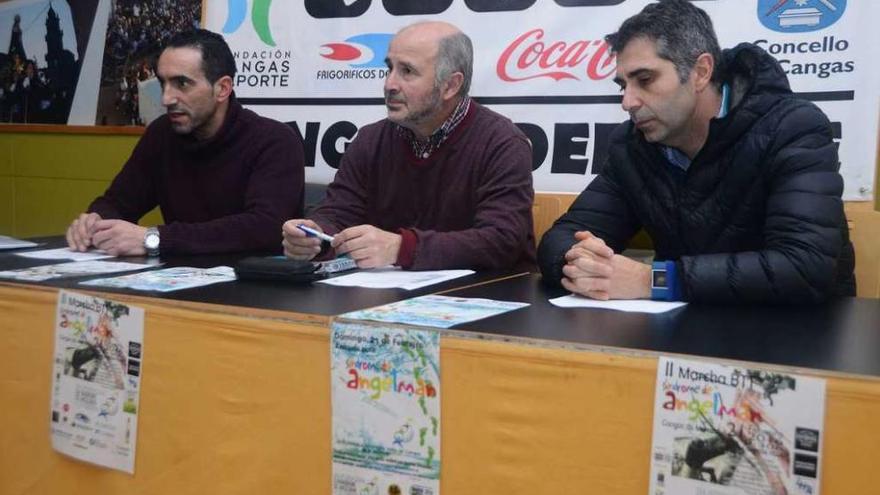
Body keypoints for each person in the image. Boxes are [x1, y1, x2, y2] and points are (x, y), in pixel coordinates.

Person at [537, 0, 855, 304]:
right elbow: (562, 237)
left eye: (645, 80)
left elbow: (804, 267)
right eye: (623, 85)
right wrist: (580, 262)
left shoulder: (792, 127)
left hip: (798, 338)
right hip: (681, 333)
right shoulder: (632, 147)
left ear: (701, 72)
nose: (628, 102)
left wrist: (656, 280)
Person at [281, 21, 535, 270]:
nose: (389, 84)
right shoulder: (371, 140)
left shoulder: (502, 143)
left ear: (450, 85)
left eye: (407, 72)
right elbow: (338, 213)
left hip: (490, 295)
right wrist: (315, 235)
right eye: (389, 68)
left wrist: (403, 248)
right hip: (386, 297)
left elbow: (502, 241)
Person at [66, 29, 304, 256]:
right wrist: (94, 221)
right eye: (163, 83)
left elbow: (264, 228)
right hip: (173, 281)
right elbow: (118, 202)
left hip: (255, 289)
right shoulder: (161, 134)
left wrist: (155, 238)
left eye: (182, 84)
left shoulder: (274, 141)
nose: (166, 98)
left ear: (222, 89)